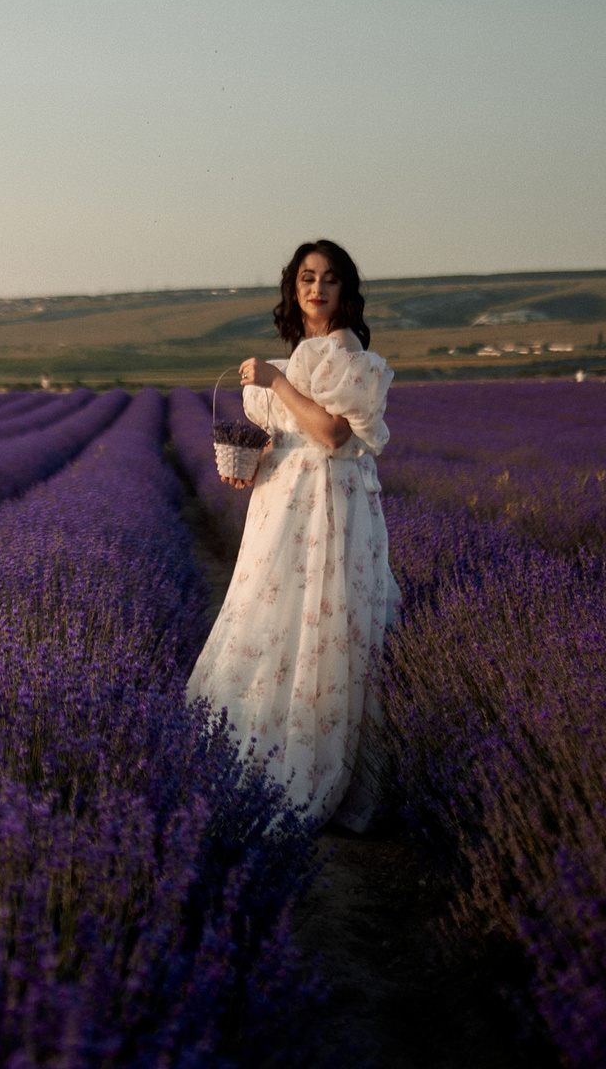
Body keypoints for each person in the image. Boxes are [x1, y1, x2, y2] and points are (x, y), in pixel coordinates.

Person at [184, 238, 399, 832]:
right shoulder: (308, 348)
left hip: (325, 509)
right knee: (274, 620)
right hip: (285, 505)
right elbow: (296, 433)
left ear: (346, 291)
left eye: (329, 279)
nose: (316, 289)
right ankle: (265, 749)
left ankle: (308, 764)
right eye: (307, 278)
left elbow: (332, 436)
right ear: (294, 287)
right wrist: (255, 459)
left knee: (319, 623)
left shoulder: (344, 350)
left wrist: (277, 382)